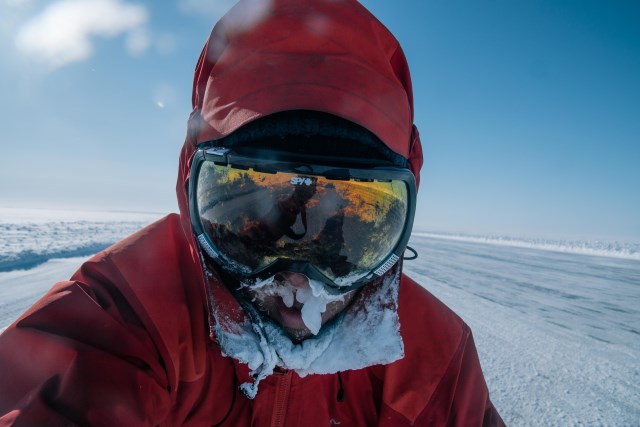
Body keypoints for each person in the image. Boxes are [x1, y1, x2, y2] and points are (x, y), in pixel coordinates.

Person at [0, 0, 505, 425]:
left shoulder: (434, 362)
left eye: (347, 234)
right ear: (192, 191)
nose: (299, 286)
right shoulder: (127, 317)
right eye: (254, 221)